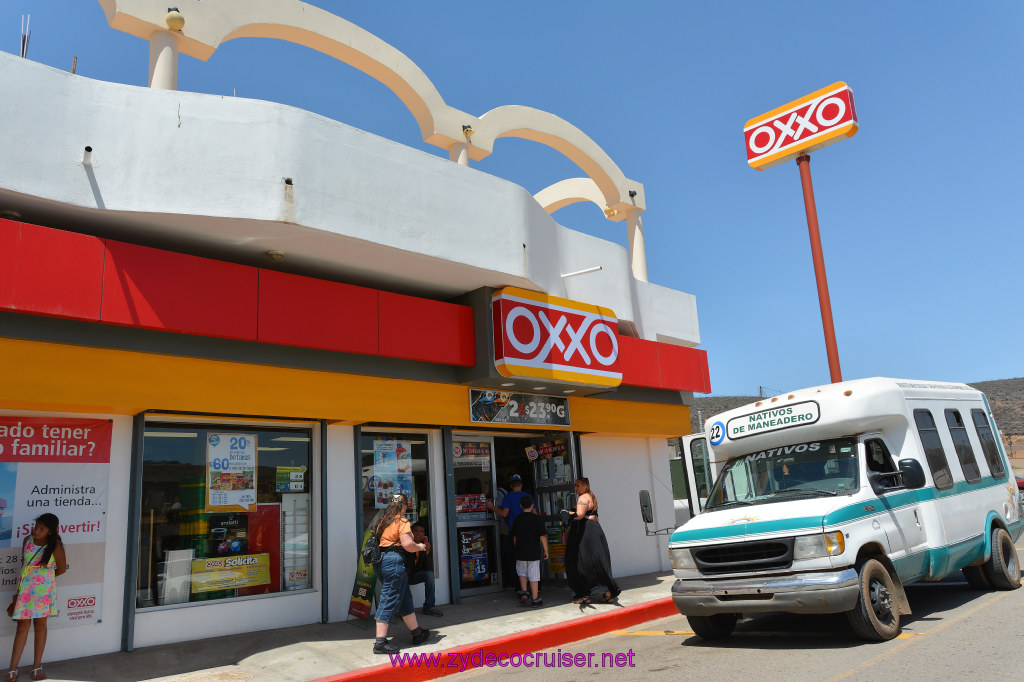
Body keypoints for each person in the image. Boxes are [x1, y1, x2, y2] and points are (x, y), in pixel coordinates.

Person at [7, 513, 67, 681]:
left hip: (43, 592)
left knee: (40, 627)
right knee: (22, 628)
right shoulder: (27, 540)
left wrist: (43, 579)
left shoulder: (55, 545)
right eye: (36, 527)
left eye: (41, 529)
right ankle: (12, 669)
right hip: (25, 591)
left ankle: (37, 667)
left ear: (50, 531)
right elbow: (24, 564)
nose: (36, 531)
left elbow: (61, 569)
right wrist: (22, 587)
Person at [371, 494, 433, 655]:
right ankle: (380, 643)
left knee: (405, 598)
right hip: (394, 563)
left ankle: (417, 633)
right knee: (388, 600)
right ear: (404, 506)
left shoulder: (382, 521)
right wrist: (421, 547)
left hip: (381, 562)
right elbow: (407, 545)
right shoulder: (402, 521)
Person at [564, 478, 620, 605]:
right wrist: (587, 516)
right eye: (575, 486)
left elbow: (579, 515)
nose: (576, 488)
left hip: (585, 534)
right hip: (593, 532)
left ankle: (585, 596)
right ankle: (607, 594)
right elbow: (590, 515)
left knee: (582, 563)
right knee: (597, 562)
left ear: (585, 486)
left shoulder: (583, 497)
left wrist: (568, 513)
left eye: (578, 485)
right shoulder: (591, 497)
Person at [486, 474, 528, 589]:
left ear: (511, 485)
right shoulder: (527, 496)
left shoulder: (508, 497)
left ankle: (516, 585)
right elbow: (533, 513)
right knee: (526, 560)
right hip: (526, 532)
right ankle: (531, 587)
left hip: (511, 532)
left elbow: (504, 514)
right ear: (521, 484)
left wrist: (491, 507)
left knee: (512, 559)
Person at [512, 495, 548, 607]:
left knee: (522, 572)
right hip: (533, 552)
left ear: (520, 506)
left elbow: (514, 537)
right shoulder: (537, 519)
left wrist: (516, 547)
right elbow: (542, 536)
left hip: (520, 551)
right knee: (534, 575)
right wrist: (546, 550)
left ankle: (524, 593)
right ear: (532, 505)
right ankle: (535, 598)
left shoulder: (517, 519)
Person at [409, 523, 442, 617]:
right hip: (403, 576)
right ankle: (406, 610)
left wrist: (427, 552)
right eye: (415, 531)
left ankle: (429, 607)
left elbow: (428, 568)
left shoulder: (423, 546)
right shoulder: (406, 544)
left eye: (421, 531)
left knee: (430, 575)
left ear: (424, 534)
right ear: (411, 532)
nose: (418, 534)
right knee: (402, 579)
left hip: (414, 576)